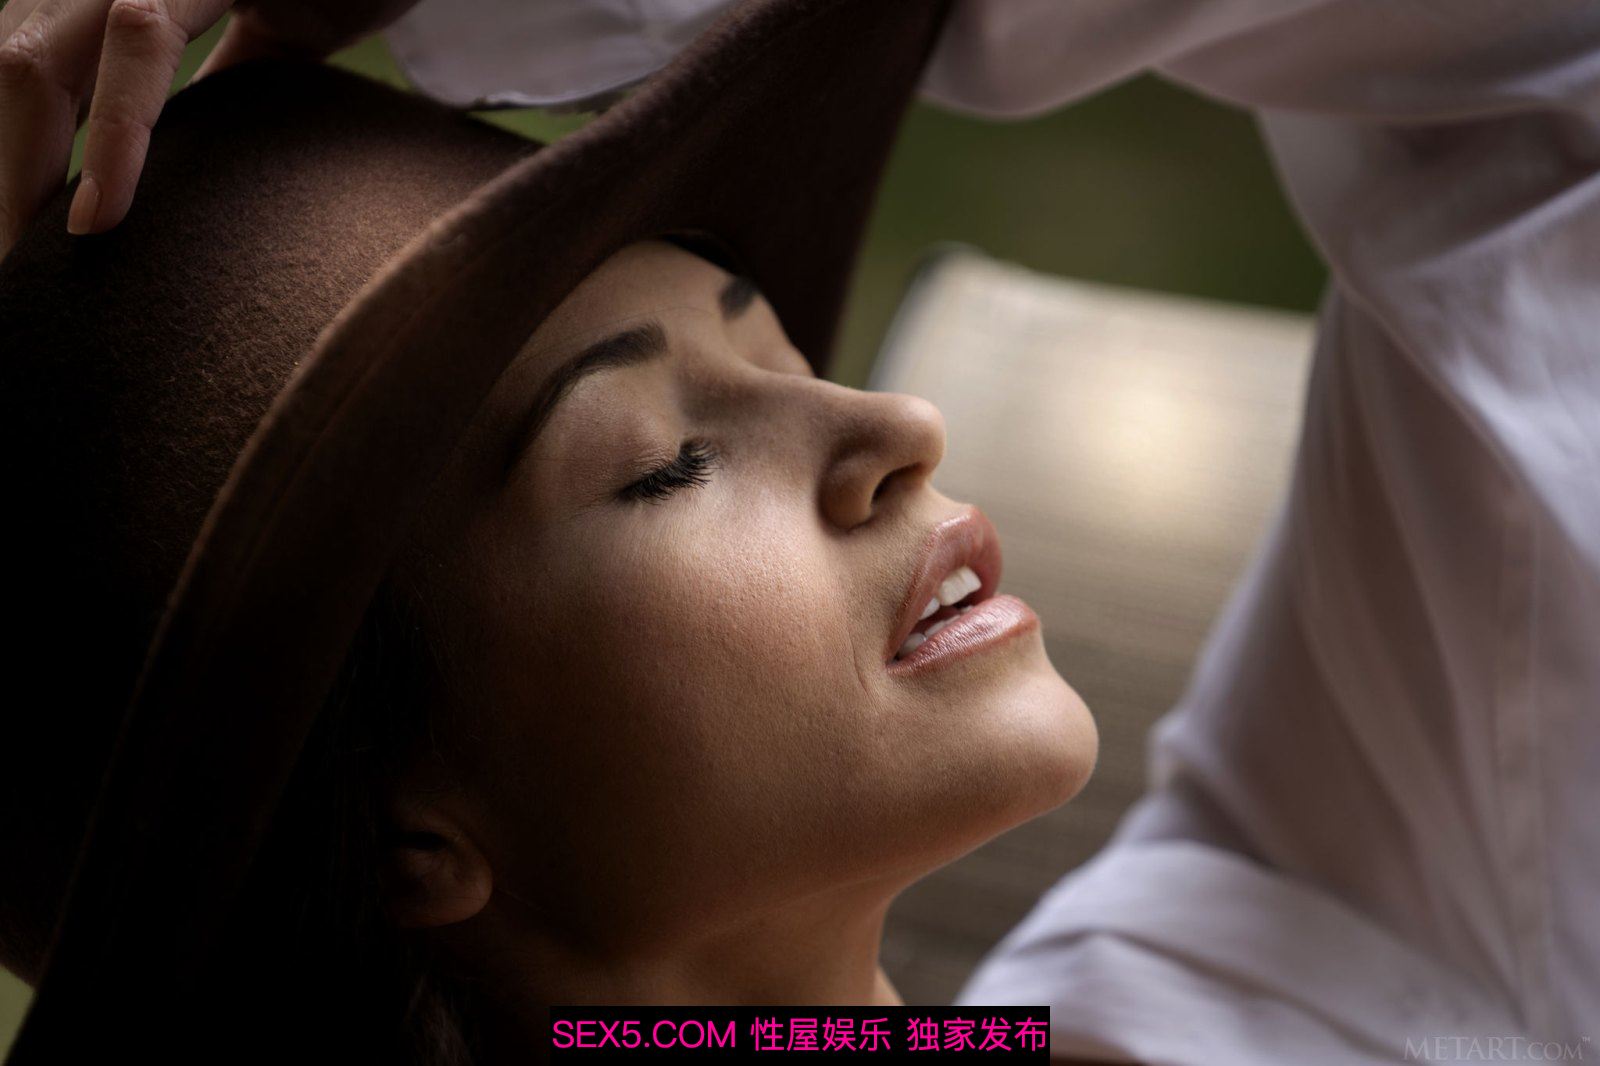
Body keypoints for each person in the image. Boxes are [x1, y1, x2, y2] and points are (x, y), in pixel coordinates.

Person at [2, 1, 1597, 1064]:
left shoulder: (1321, 976)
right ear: (408, 841)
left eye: (775, 349)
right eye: (669, 463)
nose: (898, 427)